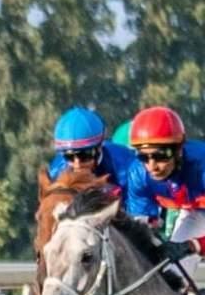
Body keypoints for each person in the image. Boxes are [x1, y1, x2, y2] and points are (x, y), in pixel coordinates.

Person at [122, 106, 205, 270]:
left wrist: (195, 245)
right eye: (143, 157)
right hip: (195, 211)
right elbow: (141, 229)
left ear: (179, 149)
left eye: (161, 155)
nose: (152, 166)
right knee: (173, 273)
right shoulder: (138, 174)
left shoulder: (202, 168)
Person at [46, 106, 137, 187]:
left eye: (84, 155)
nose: (77, 164)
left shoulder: (127, 166)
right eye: (69, 156)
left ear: (100, 146)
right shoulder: (56, 171)